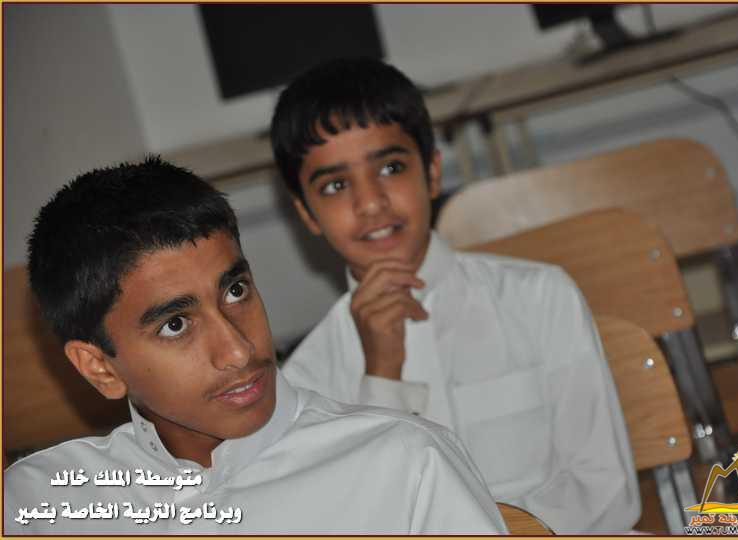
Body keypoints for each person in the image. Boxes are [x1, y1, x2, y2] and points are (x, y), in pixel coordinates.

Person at [4, 157, 507, 535]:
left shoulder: (405, 464)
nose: (239, 351)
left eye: (235, 291)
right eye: (176, 325)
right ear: (99, 368)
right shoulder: (40, 501)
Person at [271, 57, 641, 534]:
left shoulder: (540, 298)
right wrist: (381, 375)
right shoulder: (306, 384)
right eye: (336, 185)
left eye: (391, 167)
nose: (371, 202)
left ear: (431, 173)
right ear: (306, 213)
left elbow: (605, 493)